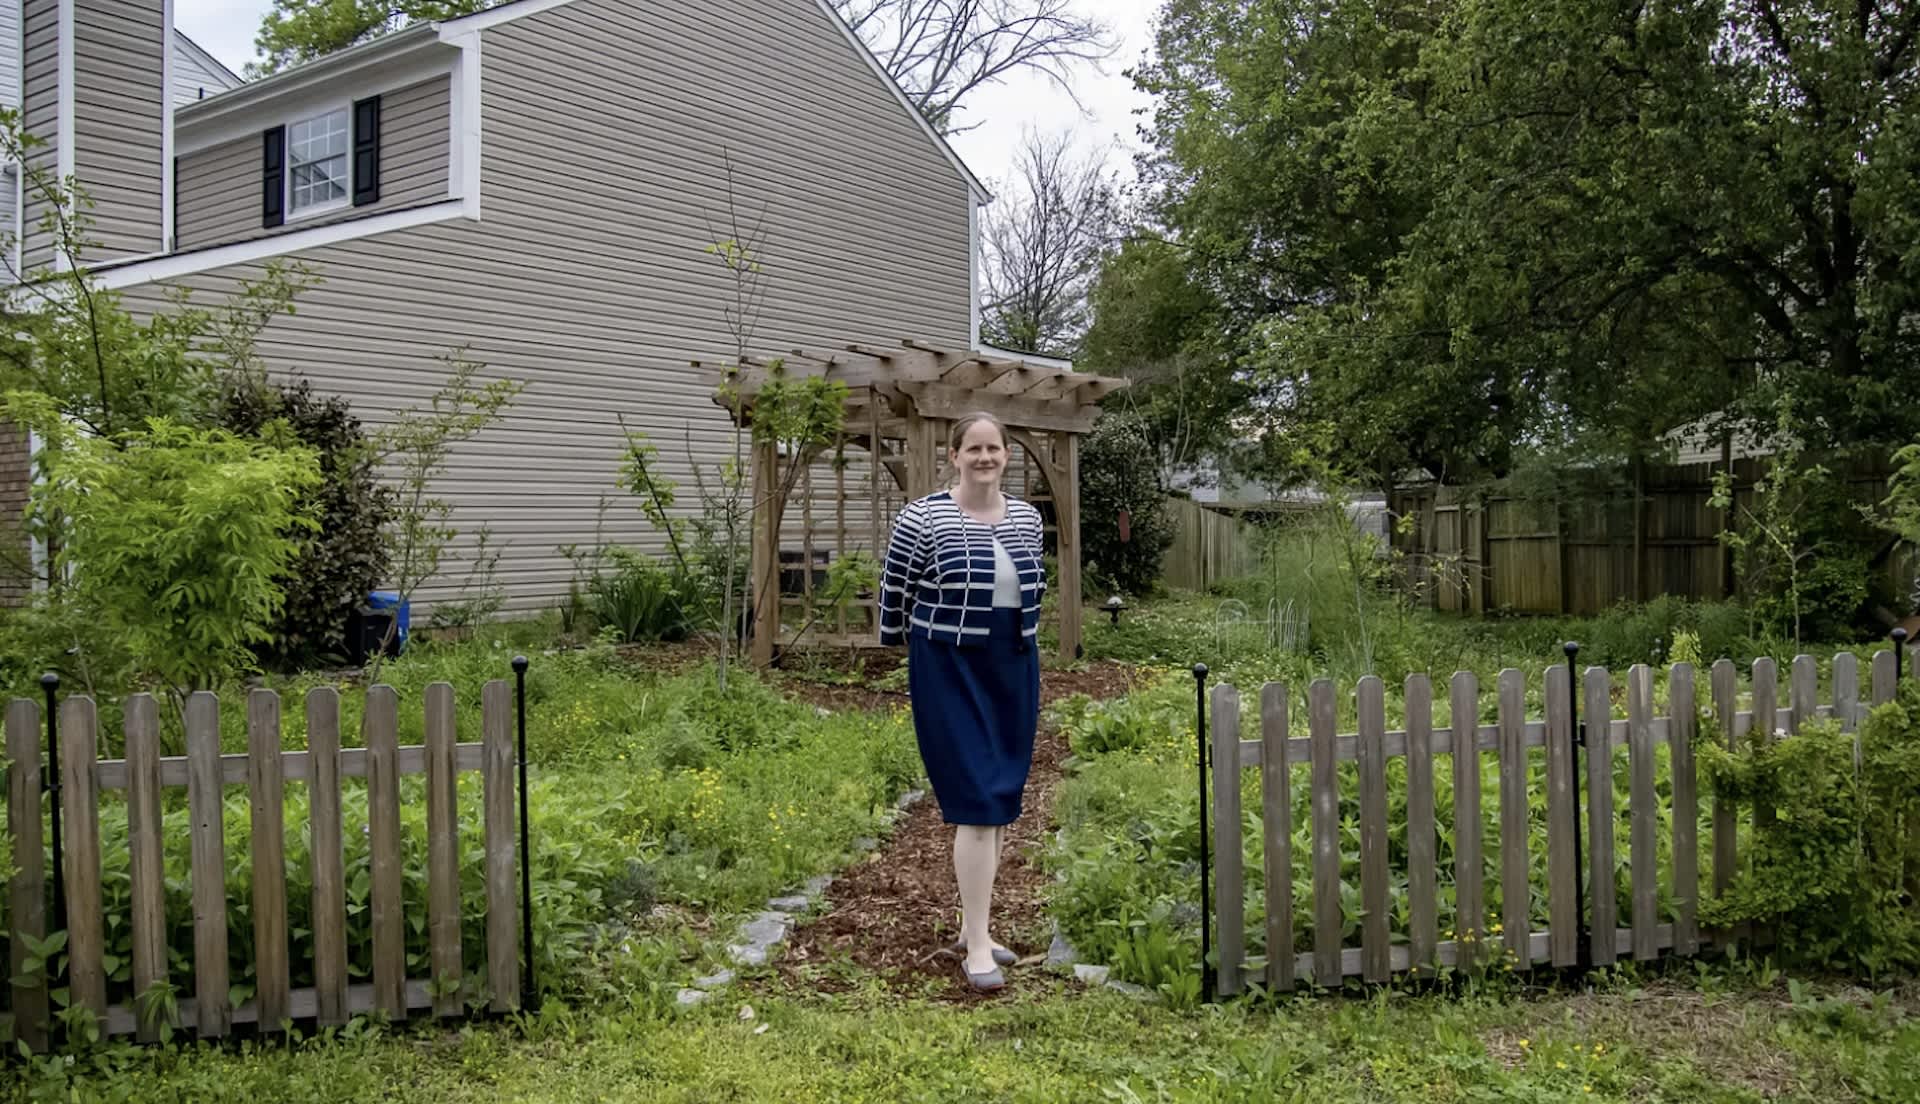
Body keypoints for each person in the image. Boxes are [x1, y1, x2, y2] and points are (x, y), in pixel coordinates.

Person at [877, 411, 1046, 992]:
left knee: (1000, 796)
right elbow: (896, 588)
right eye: (972, 448)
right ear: (954, 456)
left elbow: (1033, 588)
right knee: (976, 800)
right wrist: (904, 645)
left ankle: (978, 927)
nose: (984, 457)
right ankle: (976, 948)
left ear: (1006, 455)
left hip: (1013, 664)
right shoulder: (922, 517)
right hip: (948, 665)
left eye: (993, 448)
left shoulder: (1027, 518)